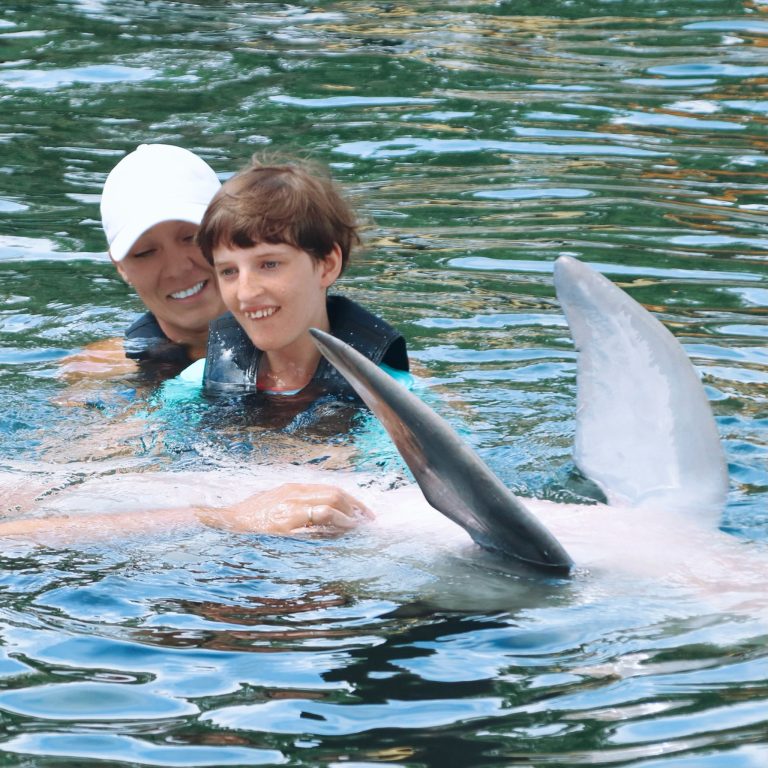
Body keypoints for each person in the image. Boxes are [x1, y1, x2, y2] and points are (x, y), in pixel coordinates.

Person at [195, 157, 409, 401]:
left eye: (269, 264)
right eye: (229, 271)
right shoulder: (195, 382)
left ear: (327, 266)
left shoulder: (394, 398)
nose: (245, 293)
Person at [59, 144, 227, 382]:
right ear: (120, 266)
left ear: (231, 231)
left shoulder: (296, 334)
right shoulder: (99, 370)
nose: (177, 269)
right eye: (145, 252)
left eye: (191, 238)